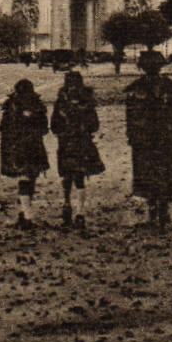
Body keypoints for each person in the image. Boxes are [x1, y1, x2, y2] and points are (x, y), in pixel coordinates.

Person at [125, 50, 172, 230]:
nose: (151, 70)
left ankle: (164, 208)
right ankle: (152, 207)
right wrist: (133, 134)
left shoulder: (171, 87)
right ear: (143, 68)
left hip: (166, 137)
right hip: (144, 139)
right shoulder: (136, 88)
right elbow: (130, 114)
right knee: (147, 173)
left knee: (167, 172)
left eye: (155, 66)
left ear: (160, 67)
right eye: (148, 66)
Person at [50, 70, 104, 232]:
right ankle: (73, 209)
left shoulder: (65, 102)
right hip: (74, 142)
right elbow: (55, 124)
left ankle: (74, 209)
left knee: (73, 176)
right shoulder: (78, 102)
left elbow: (54, 125)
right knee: (73, 176)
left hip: (73, 142)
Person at [0, 78, 51, 229]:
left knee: (23, 179)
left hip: (16, 147)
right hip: (34, 147)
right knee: (31, 178)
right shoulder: (37, 105)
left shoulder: (10, 105)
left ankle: (26, 214)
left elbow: (4, 128)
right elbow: (44, 128)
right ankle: (25, 214)